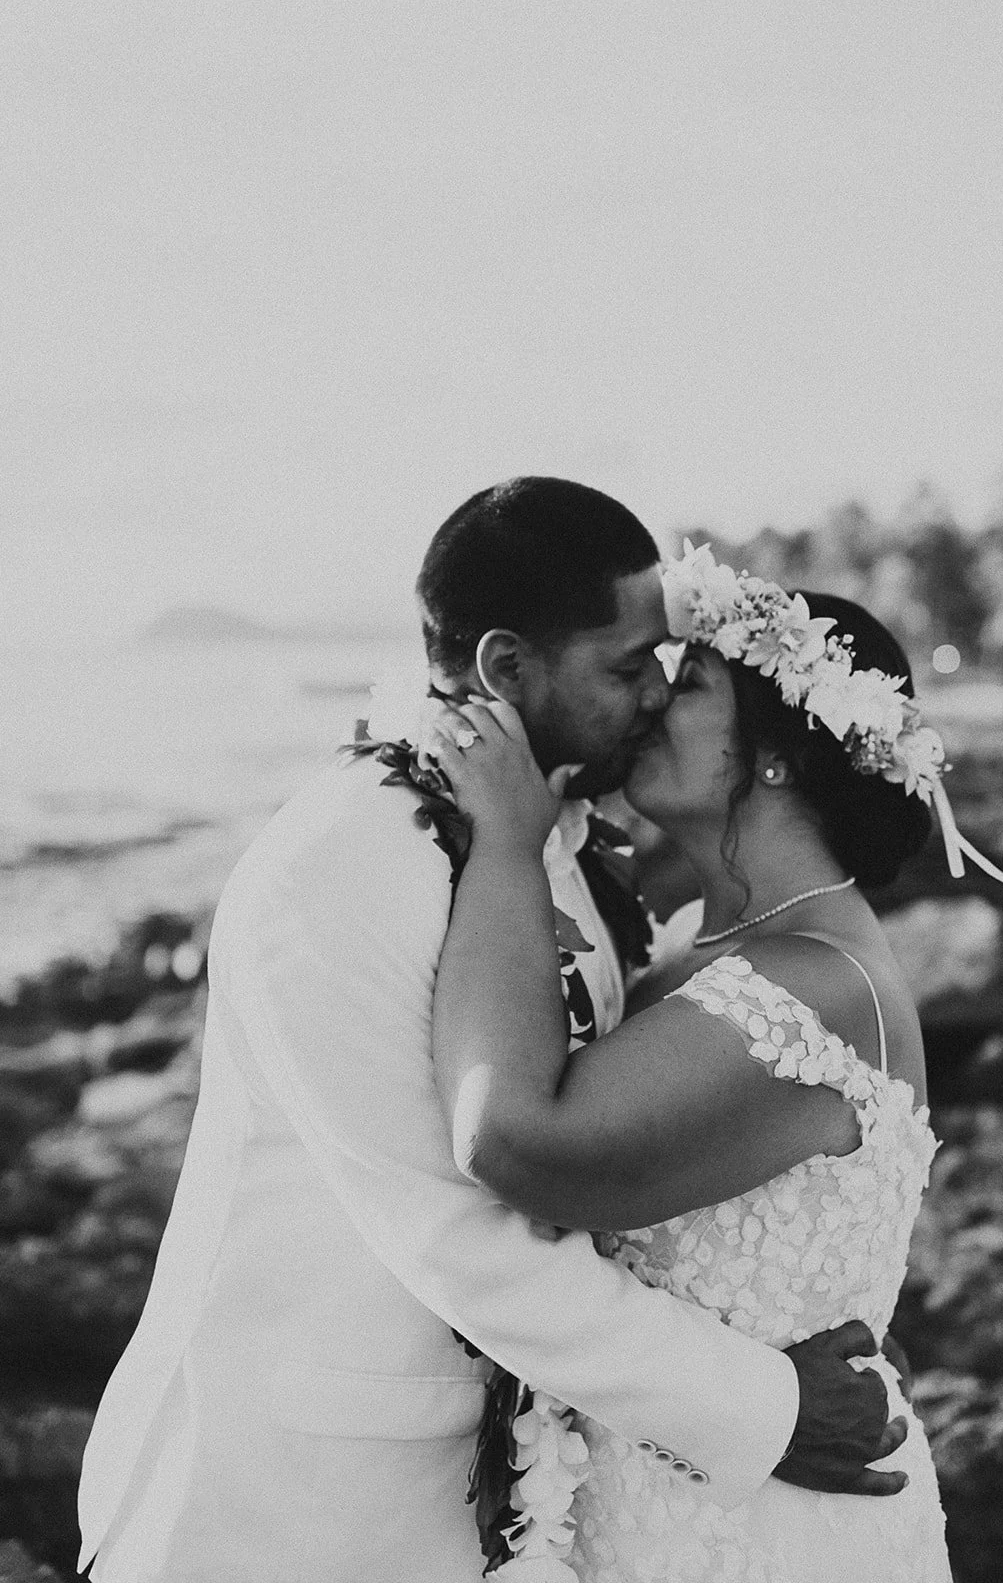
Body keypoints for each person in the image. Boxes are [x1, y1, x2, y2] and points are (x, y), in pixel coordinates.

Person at [77, 481, 902, 1582]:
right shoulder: (344, 863)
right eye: (626, 667)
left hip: (491, 1499)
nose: (652, 695)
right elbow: (458, 1229)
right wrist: (761, 1404)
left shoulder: (544, 834)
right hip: (298, 1504)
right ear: (507, 668)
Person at [427, 544, 953, 1580]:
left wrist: (503, 843)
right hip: (658, 1504)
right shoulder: (695, 948)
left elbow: (515, 1141)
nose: (649, 702)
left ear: (776, 755)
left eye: (690, 682)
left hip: (768, 1534)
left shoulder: (813, 988)